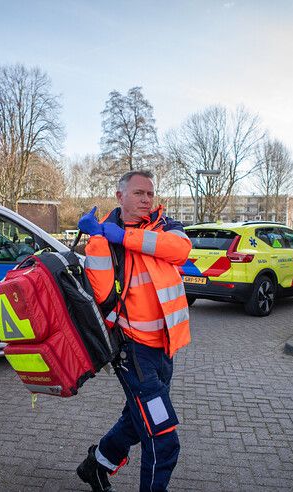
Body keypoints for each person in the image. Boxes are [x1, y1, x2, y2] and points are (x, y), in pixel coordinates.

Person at [76, 170, 192, 492]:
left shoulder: (166, 226)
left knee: (136, 417)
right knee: (162, 438)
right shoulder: (103, 240)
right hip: (134, 352)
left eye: (150, 194)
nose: (146, 200)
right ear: (120, 196)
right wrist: (98, 241)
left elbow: (181, 251)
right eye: (139, 193)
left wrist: (122, 237)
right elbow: (101, 297)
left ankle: (96, 465)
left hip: (166, 348)